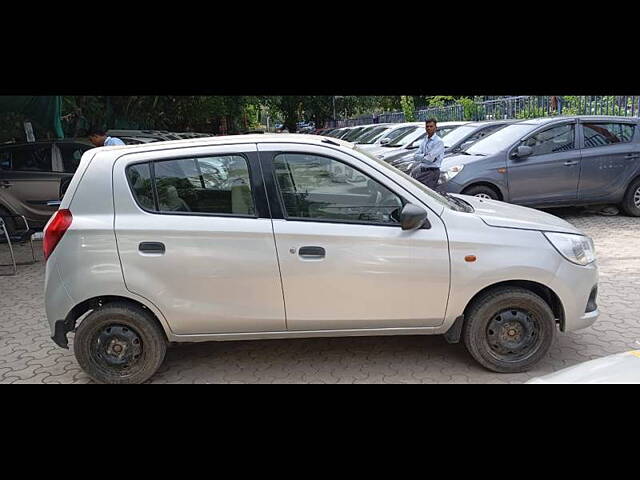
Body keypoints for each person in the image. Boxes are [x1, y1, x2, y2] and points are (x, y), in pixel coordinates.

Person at [410, 118, 445, 190]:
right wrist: (425, 156)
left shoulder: (438, 142)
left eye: (431, 126)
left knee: (427, 195)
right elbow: (415, 156)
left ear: (436, 128)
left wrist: (422, 157)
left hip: (431, 172)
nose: (429, 128)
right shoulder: (425, 140)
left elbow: (430, 160)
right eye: (427, 126)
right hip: (422, 171)